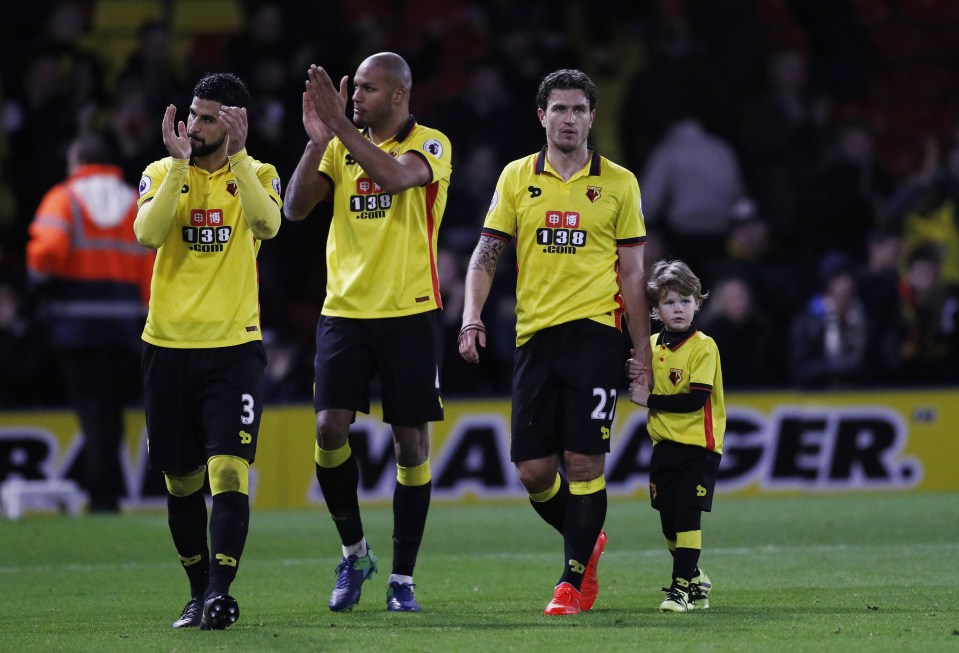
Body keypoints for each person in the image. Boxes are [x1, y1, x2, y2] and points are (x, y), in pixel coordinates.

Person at [458, 68, 651, 616]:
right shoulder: (518, 178)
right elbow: (486, 254)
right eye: (559, 109)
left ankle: (571, 584)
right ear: (541, 116)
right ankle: (587, 542)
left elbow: (633, 275)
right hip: (534, 337)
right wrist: (471, 316)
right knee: (534, 473)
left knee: (584, 462)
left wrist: (641, 352)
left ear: (593, 116)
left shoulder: (619, 183)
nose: (570, 119)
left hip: (595, 334)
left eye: (580, 110)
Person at [283, 52, 452, 613]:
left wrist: (338, 130)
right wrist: (317, 140)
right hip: (345, 312)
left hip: (409, 311)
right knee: (329, 429)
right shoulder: (337, 143)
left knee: (411, 444)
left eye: (368, 89)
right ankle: (354, 552)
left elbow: (396, 177)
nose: (354, 96)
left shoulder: (430, 144)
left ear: (399, 96)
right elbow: (295, 208)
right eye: (352, 88)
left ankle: (402, 578)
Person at [133, 72, 282, 630]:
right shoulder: (160, 172)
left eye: (208, 118)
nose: (194, 126)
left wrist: (240, 158)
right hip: (167, 345)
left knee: (228, 470)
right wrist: (175, 165)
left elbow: (269, 225)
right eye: (193, 115)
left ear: (236, 123)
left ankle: (220, 594)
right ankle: (198, 592)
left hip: (233, 349)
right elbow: (147, 235)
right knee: (180, 479)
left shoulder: (259, 175)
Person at [26, 132, 153, 512]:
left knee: (92, 411)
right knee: (112, 412)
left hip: (76, 328)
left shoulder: (65, 198)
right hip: (124, 329)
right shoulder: (134, 200)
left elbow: (46, 253)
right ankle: (107, 490)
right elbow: (152, 262)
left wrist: (38, 272)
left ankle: (103, 494)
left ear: (77, 160)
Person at [628, 259, 724, 613]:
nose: (679, 308)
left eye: (686, 300)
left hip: (699, 446)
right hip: (664, 446)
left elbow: (695, 400)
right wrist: (635, 372)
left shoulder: (704, 347)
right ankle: (697, 578)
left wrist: (648, 399)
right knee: (668, 520)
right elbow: (640, 376)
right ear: (656, 309)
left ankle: (680, 589)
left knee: (687, 515)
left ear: (698, 303)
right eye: (670, 302)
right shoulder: (651, 346)